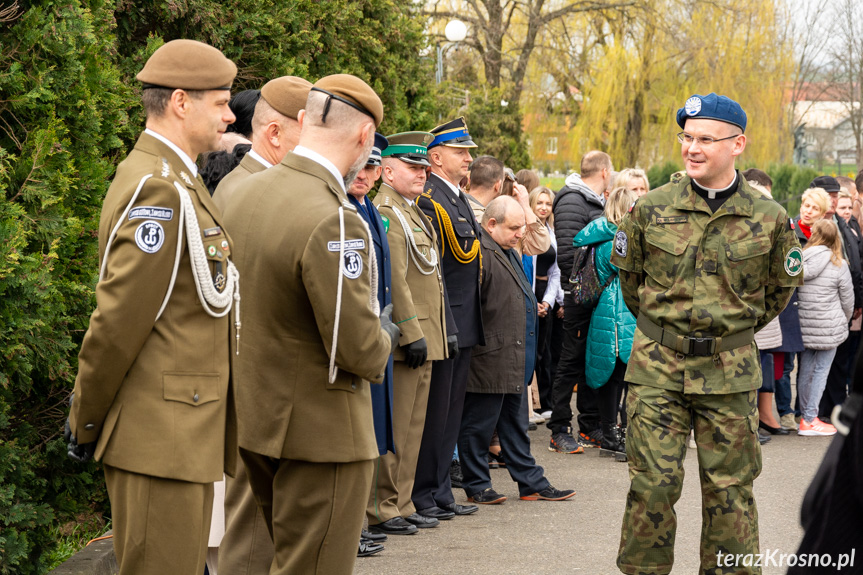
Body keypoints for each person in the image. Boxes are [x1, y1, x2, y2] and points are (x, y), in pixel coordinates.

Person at [64, 40, 240, 575]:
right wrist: (85, 417)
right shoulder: (158, 189)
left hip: (178, 434)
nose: (231, 115)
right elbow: (118, 321)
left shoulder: (176, 176)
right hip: (159, 439)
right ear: (182, 102)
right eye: (221, 102)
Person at [612, 93, 802, 575]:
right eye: (687, 138)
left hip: (730, 373)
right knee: (651, 488)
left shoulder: (770, 218)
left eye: (705, 139)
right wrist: (667, 334)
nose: (692, 149)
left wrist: (726, 334)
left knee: (731, 495)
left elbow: (776, 294)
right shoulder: (649, 209)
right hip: (657, 371)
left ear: (738, 144)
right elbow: (632, 286)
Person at [221, 74, 400, 575]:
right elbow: (357, 348)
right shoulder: (336, 217)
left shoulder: (241, 192)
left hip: (256, 416)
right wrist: (384, 336)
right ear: (365, 137)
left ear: (304, 120)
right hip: (320, 433)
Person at [214, 74, 312, 575]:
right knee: (252, 526)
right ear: (274, 135)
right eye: (306, 133)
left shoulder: (247, 185)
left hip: (253, 373)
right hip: (254, 376)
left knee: (258, 524)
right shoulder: (249, 188)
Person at [458, 195, 575, 504]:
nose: (520, 234)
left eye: (522, 227)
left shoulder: (505, 248)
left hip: (511, 354)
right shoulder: (479, 252)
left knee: (515, 426)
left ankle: (531, 482)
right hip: (489, 356)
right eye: (514, 227)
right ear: (491, 224)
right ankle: (477, 485)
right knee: (479, 426)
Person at [367, 131, 450, 536]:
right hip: (408, 339)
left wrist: (440, 330)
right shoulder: (387, 209)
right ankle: (384, 506)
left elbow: (431, 278)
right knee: (397, 428)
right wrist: (409, 330)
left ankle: (402, 500)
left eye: (423, 167)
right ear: (387, 170)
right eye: (413, 168)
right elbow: (395, 280)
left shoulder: (411, 209)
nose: (422, 174)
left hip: (427, 336)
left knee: (414, 427)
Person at [413, 116, 482, 521]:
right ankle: (425, 492)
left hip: (463, 320)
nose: (467, 159)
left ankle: (440, 491)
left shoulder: (453, 196)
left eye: (468, 152)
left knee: (451, 414)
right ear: (435, 157)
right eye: (461, 152)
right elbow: (434, 272)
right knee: (435, 415)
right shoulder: (430, 199)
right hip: (445, 323)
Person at [547, 150, 613, 453]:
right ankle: (559, 428)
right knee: (570, 361)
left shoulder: (592, 200)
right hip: (579, 295)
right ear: (603, 171)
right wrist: (584, 289)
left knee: (592, 361)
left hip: (596, 296)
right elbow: (569, 254)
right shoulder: (573, 199)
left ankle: (590, 425)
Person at [578, 186, 638, 460]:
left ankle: (610, 431)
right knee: (620, 374)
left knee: (611, 376)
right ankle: (615, 434)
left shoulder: (599, 238)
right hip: (620, 311)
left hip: (605, 308)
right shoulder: (619, 239)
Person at [213, 76, 310, 212]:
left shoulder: (239, 180)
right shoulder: (262, 193)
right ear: (275, 133)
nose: (314, 144)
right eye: (307, 132)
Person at [797, 219, 853, 436]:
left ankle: (804, 417)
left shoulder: (800, 259)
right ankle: (810, 418)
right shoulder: (838, 264)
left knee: (805, 371)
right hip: (829, 328)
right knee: (821, 372)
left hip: (805, 326)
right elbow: (848, 300)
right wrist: (844, 320)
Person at [527, 186, 562, 418]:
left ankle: (546, 403)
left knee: (546, 351)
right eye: (539, 202)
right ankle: (532, 405)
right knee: (531, 351)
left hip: (546, 293)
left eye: (548, 203)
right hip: (529, 291)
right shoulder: (527, 229)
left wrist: (548, 302)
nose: (543, 207)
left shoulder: (552, 231)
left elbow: (556, 271)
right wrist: (533, 301)